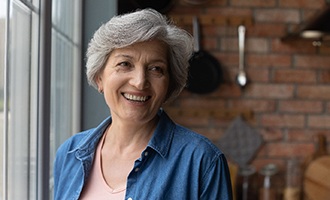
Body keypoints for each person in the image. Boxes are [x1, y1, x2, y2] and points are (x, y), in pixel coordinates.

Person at [54, 8, 232, 200]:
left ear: (169, 85)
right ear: (99, 77)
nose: (139, 82)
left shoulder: (202, 161)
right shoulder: (69, 153)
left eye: (156, 68)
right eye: (125, 64)